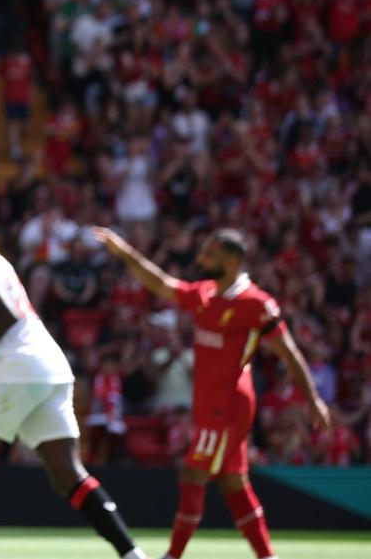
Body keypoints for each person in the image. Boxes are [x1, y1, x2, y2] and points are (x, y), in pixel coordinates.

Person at [0, 198, 146, 559]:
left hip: (19, 369)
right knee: (66, 473)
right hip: (48, 365)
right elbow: (12, 325)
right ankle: (133, 555)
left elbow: (4, 316)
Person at [92, 227, 331, 559]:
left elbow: (289, 353)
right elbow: (160, 283)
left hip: (229, 406)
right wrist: (123, 252)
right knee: (233, 483)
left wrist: (312, 398)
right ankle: (267, 556)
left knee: (192, 473)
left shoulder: (255, 304)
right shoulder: (204, 294)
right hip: (208, 405)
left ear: (231, 261)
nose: (201, 258)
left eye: (209, 253)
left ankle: (173, 556)